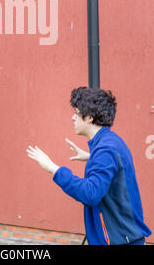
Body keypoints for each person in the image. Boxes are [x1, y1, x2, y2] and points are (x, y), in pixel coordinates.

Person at [27, 86, 152, 245]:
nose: (73, 118)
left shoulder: (105, 150)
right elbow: (116, 166)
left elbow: (90, 193)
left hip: (119, 241)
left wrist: (53, 168)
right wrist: (91, 157)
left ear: (90, 118)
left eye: (77, 113)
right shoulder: (111, 142)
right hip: (124, 238)